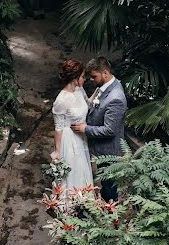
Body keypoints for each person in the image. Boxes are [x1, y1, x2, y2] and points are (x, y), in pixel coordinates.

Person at [71, 57, 127, 202]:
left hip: (109, 151)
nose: (91, 79)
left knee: (109, 189)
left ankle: (110, 216)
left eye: (94, 76)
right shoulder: (104, 87)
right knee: (104, 184)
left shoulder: (116, 98)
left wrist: (85, 129)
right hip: (101, 150)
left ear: (105, 73)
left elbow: (110, 130)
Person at [51, 59, 93, 193]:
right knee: (73, 171)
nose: (84, 79)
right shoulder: (61, 100)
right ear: (76, 78)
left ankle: (83, 202)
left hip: (82, 136)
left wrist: (100, 91)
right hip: (70, 140)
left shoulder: (80, 90)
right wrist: (57, 151)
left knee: (83, 169)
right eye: (82, 77)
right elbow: (58, 127)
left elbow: (89, 103)